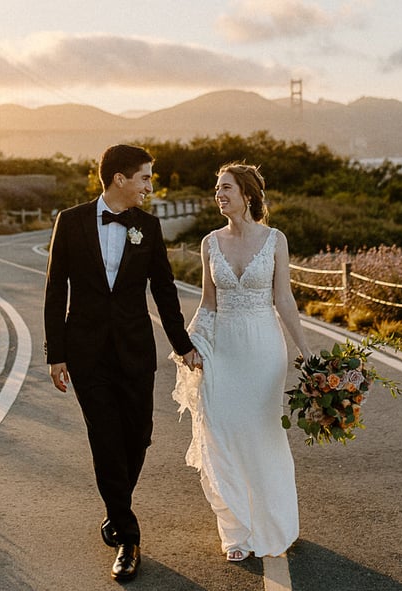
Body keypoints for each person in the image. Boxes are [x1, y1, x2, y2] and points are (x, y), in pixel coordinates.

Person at [43, 144, 200, 582]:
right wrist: (55, 352)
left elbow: (164, 291)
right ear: (119, 179)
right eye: (146, 178)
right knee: (106, 439)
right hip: (86, 353)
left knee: (139, 436)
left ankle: (115, 509)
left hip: (135, 352)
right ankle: (127, 537)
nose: (151, 186)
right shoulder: (70, 222)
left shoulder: (148, 227)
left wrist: (183, 344)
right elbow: (56, 290)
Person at [171, 162, 313, 562]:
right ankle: (236, 529)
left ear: (247, 195)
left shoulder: (274, 240)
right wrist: (190, 344)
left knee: (263, 434)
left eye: (226, 187)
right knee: (222, 430)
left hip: (264, 348)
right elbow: (208, 303)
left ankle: (273, 522)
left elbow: (283, 298)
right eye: (217, 188)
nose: (219, 194)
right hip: (223, 348)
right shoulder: (209, 242)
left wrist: (304, 348)